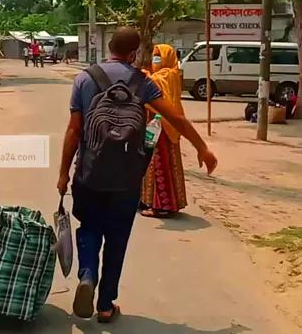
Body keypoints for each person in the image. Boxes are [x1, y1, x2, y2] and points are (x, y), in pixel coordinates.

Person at [58, 27, 217, 323]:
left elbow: (73, 130)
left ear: (109, 46)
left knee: (89, 228)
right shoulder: (142, 82)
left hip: (89, 173)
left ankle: (87, 275)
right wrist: (202, 148)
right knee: (117, 239)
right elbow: (176, 117)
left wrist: (63, 174)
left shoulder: (84, 78)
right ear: (133, 54)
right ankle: (105, 305)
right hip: (127, 179)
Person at [140, 44, 187, 217]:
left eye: (158, 56)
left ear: (167, 57)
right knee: (152, 163)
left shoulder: (168, 74)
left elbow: (153, 86)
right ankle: (153, 201)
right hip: (160, 125)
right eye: (154, 56)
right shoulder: (169, 73)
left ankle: (162, 206)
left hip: (162, 126)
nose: (155, 59)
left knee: (160, 164)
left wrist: (142, 75)